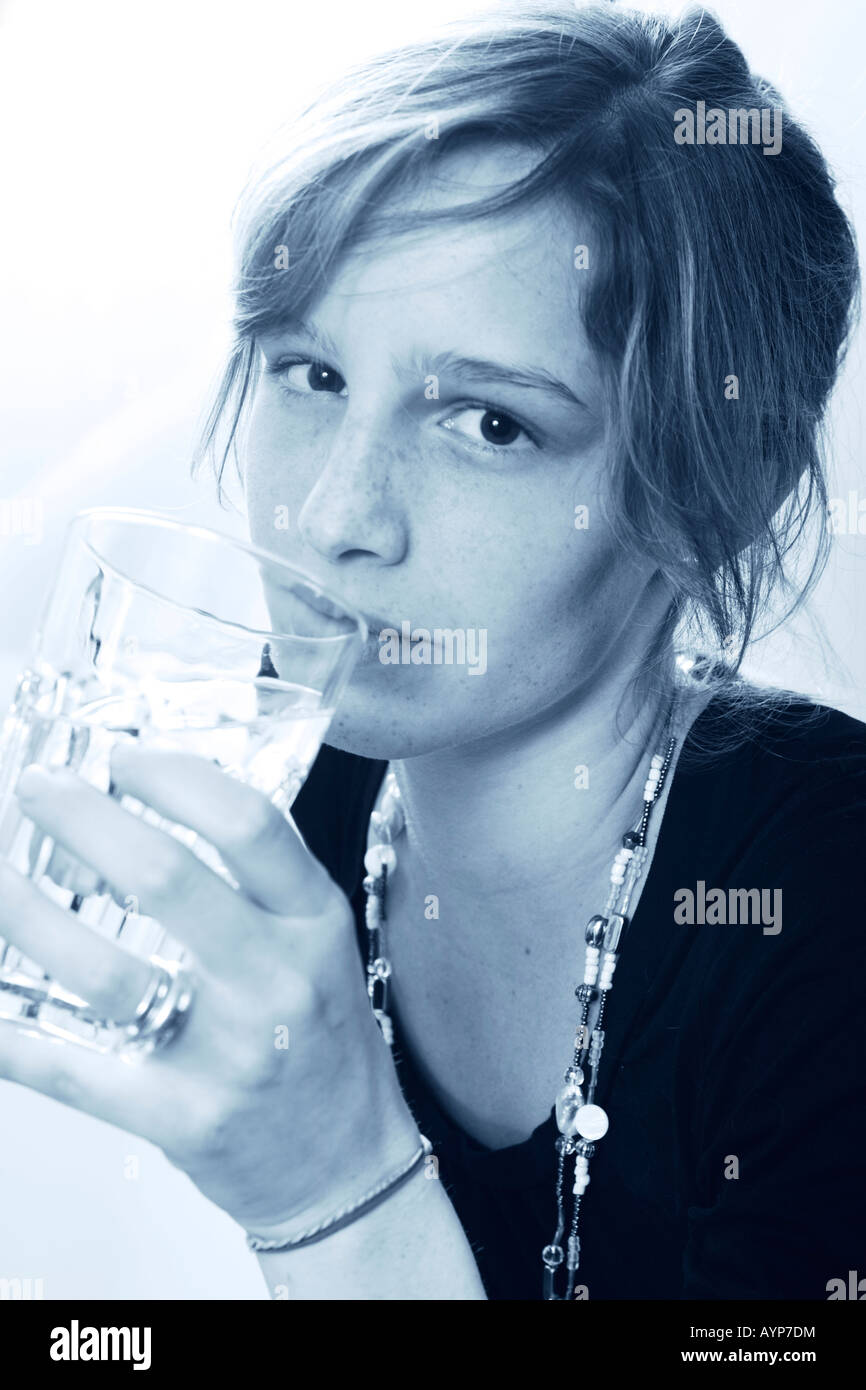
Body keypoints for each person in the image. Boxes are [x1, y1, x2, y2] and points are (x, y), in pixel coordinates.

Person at [0, 1, 864, 1300]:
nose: (335, 520)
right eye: (310, 374)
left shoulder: (825, 911)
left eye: (488, 424)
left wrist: (330, 1190)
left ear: (710, 495)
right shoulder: (254, 786)